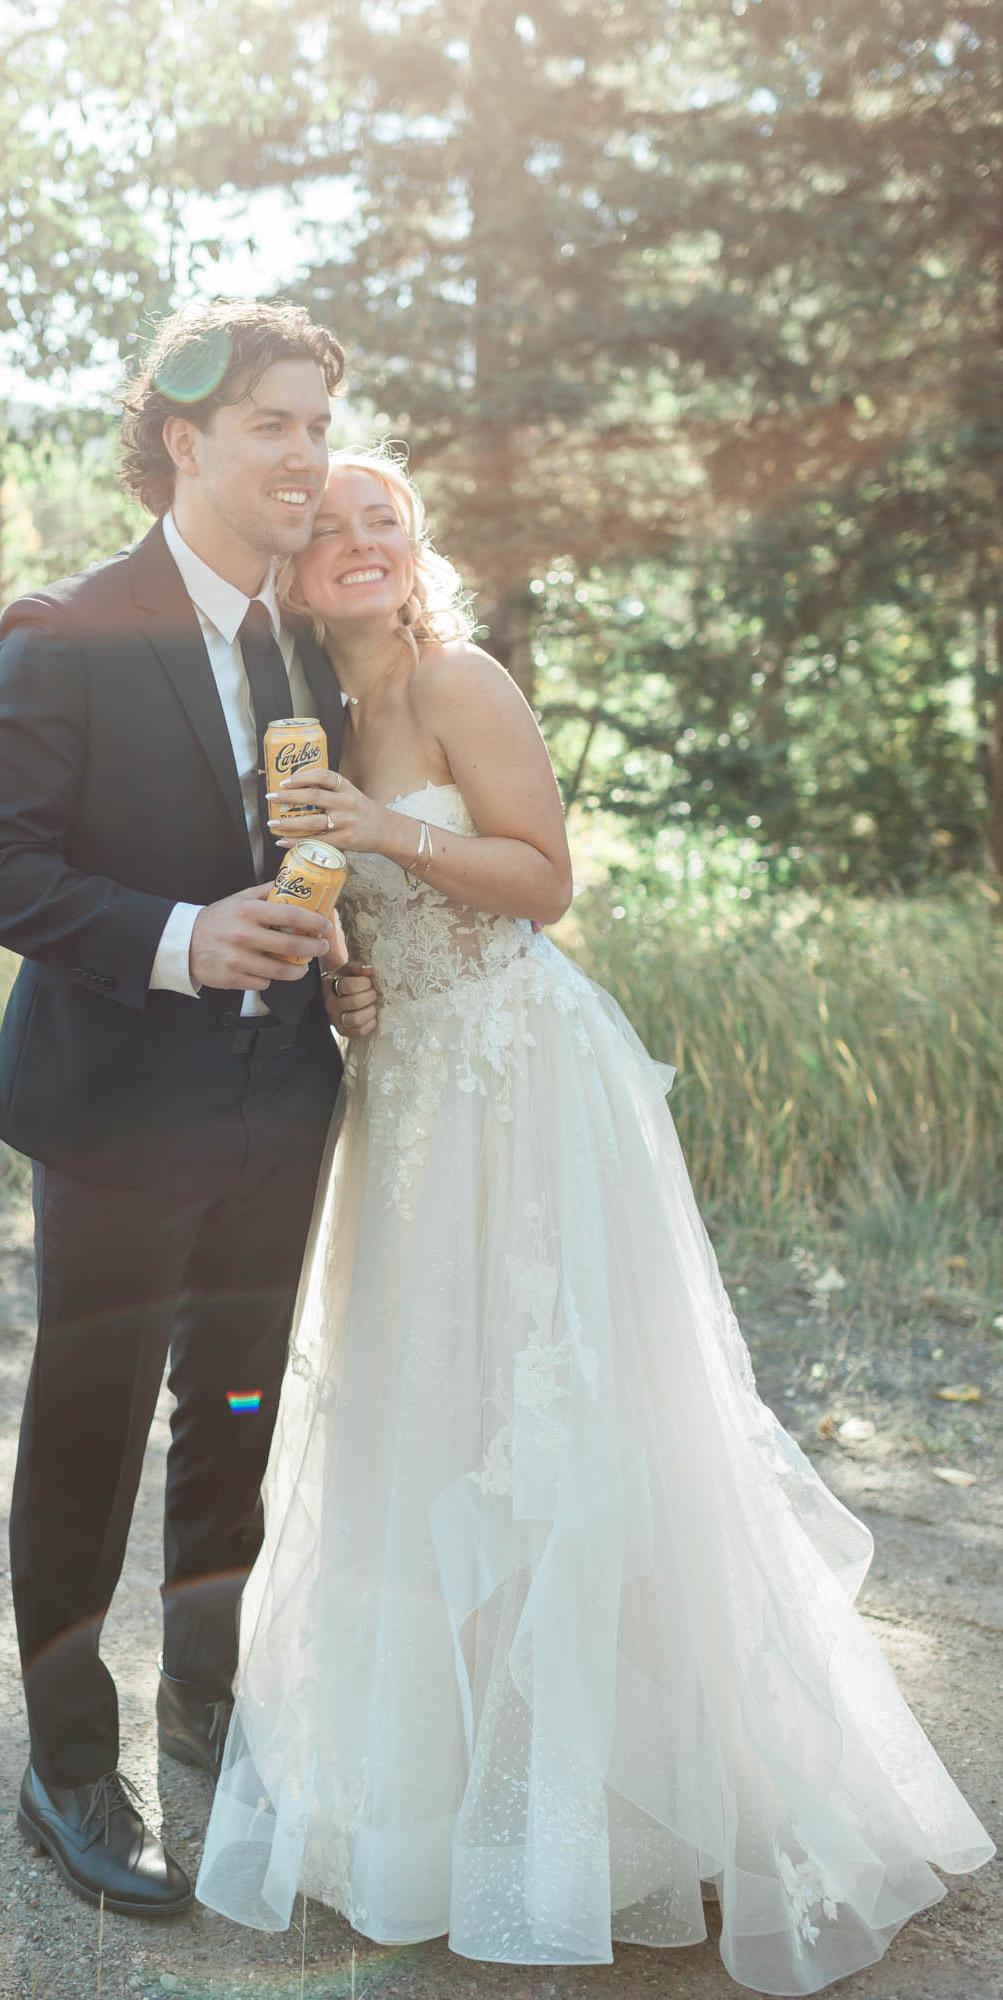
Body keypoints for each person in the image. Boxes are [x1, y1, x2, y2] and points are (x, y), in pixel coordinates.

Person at [194, 449, 994, 1991]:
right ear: (290, 570)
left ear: (413, 546)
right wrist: (353, 982)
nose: (361, 542)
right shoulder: (314, 722)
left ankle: (634, 1812)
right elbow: (370, 921)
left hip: (525, 1087)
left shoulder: (460, 679)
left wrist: (382, 832)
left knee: (564, 1430)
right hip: (411, 1094)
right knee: (425, 1428)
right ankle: (446, 1809)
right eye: (331, 527)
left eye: (387, 519)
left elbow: (540, 881)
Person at [0, 299, 356, 1916]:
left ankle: (205, 1690)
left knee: (237, 1412)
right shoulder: (69, 622)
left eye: (320, 426)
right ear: (183, 441)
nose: (306, 459)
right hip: (117, 1104)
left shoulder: (310, 633)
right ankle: (64, 1761)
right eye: (275, 425)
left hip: (284, 1098)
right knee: (91, 1430)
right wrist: (186, 940)